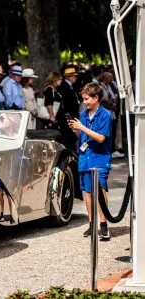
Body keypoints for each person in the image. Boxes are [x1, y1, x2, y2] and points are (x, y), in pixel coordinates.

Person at [68, 82, 112, 240]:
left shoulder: (105, 115)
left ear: (96, 98)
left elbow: (101, 138)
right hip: (85, 158)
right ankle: (91, 224)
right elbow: (84, 138)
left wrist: (83, 127)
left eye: (87, 99)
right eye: (83, 99)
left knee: (100, 190)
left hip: (100, 158)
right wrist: (76, 130)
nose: (84, 102)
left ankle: (104, 223)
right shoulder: (84, 115)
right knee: (87, 192)